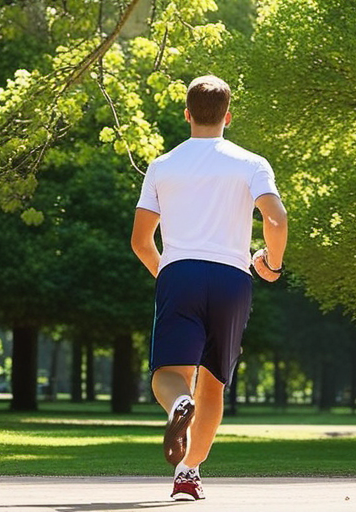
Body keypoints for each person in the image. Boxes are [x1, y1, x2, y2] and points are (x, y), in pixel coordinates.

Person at [131, 75, 288, 501]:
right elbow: (276, 220)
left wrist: (167, 273)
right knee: (214, 382)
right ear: (228, 116)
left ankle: (179, 404)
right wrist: (270, 264)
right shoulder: (252, 163)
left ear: (187, 115)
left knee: (169, 375)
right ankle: (189, 472)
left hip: (180, 272)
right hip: (232, 278)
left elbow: (141, 240)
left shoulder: (162, 165)